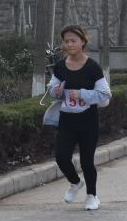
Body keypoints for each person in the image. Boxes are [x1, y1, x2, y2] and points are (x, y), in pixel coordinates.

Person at [45, 24, 111, 210]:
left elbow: (104, 94)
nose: (69, 44)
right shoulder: (60, 67)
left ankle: (92, 196)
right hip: (67, 120)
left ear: (82, 42)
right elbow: (52, 89)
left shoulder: (92, 67)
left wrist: (82, 94)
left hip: (88, 120)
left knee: (86, 161)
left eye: (73, 40)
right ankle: (75, 182)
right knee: (61, 157)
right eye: (66, 41)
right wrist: (56, 91)